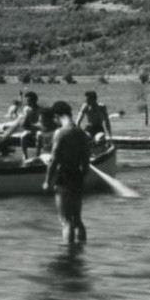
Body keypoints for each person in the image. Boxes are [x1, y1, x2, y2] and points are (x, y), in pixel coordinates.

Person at [45, 102, 90, 245]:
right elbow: (86, 163)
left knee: (65, 220)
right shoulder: (82, 133)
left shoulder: (61, 132)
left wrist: (47, 181)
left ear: (57, 116)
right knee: (77, 219)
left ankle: (68, 255)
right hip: (77, 176)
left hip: (63, 176)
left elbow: (54, 159)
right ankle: (80, 252)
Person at [11, 90, 45, 160]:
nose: (27, 102)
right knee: (23, 136)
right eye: (27, 101)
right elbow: (24, 123)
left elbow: (41, 123)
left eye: (29, 101)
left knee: (39, 135)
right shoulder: (26, 109)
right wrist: (25, 117)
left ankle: (38, 154)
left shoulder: (40, 110)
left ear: (34, 100)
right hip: (29, 129)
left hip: (37, 129)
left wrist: (33, 126)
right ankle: (25, 155)